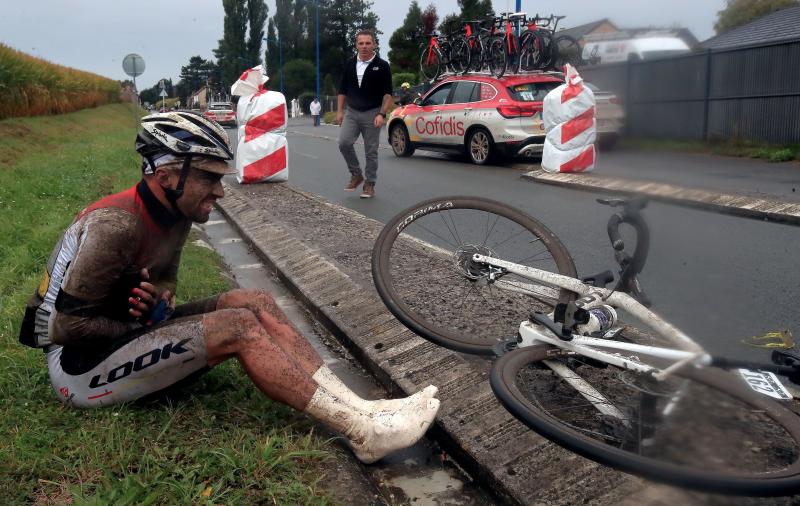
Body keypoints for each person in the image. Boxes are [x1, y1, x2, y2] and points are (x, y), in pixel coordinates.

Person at [19, 111, 440, 464]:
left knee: (253, 300)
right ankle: (362, 431)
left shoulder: (177, 213)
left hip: (116, 338)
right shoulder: (116, 225)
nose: (221, 191)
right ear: (166, 175)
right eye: (209, 177)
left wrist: (160, 298)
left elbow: (166, 279)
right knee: (236, 325)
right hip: (75, 371)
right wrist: (140, 328)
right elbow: (66, 328)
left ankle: (359, 407)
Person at [337, 29, 393, 199]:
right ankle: (356, 174)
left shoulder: (382, 66)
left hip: (372, 112)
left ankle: (369, 184)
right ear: (356, 45)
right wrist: (340, 111)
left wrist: (381, 114)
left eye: (368, 43)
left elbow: (388, 94)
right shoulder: (349, 64)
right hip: (352, 112)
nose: (364, 46)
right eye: (361, 43)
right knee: (344, 143)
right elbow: (342, 90)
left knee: (371, 151)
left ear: (374, 44)